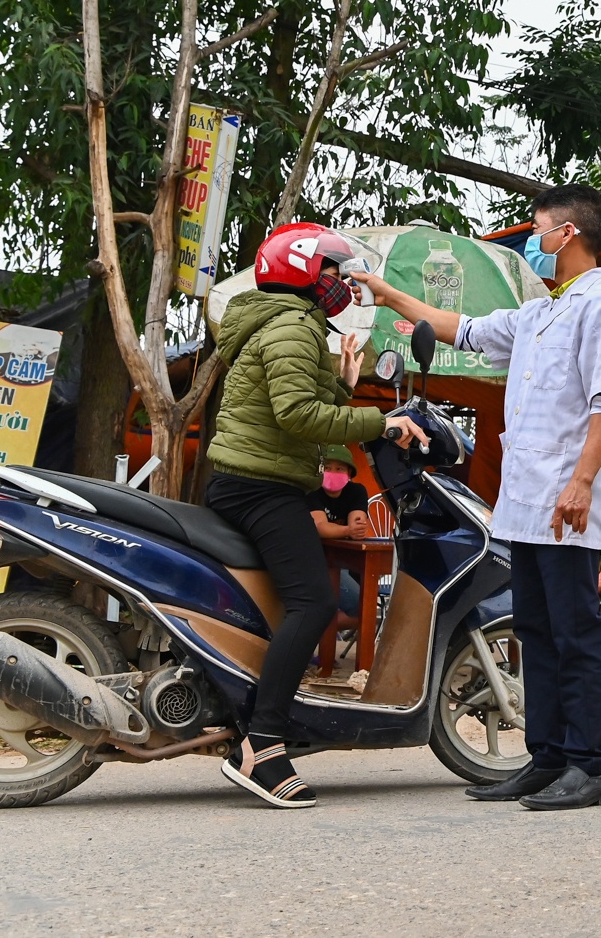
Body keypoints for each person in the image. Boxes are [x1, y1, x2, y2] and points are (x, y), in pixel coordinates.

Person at [355, 184, 601, 811]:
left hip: (567, 497)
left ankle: (590, 765)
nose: (532, 240)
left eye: (537, 230)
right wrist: (388, 294)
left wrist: (583, 481)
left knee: (573, 630)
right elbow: (462, 329)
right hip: (525, 500)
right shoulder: (539, 312)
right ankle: (547, 758)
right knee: (533, 628)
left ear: (569, 234)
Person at [207, 223, 423, 808]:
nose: (343, 282)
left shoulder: (280, 323)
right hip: (260, 487)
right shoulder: (292, 327)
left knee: (294, 601)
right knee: (316, 602)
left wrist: (343, 383)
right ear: (304, 272)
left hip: (258, 479)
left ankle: (258, 721)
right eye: (334, 271)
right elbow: (300, 416)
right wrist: (385, 422)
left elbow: (295, 414)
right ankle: (263, 744)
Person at [308, 446, 371, 625]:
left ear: (349, 472)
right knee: (360, 608)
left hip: (344, 560)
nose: (332, 472)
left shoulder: (357, 491)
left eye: (339, 469)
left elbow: (357, 525)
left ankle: (311, 632)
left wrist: (354, 529)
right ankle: (308, 632)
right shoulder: (311, 491)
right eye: (327, 468)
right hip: (315, 561)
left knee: (364, 611)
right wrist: (348, 530)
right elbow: (320, 527)